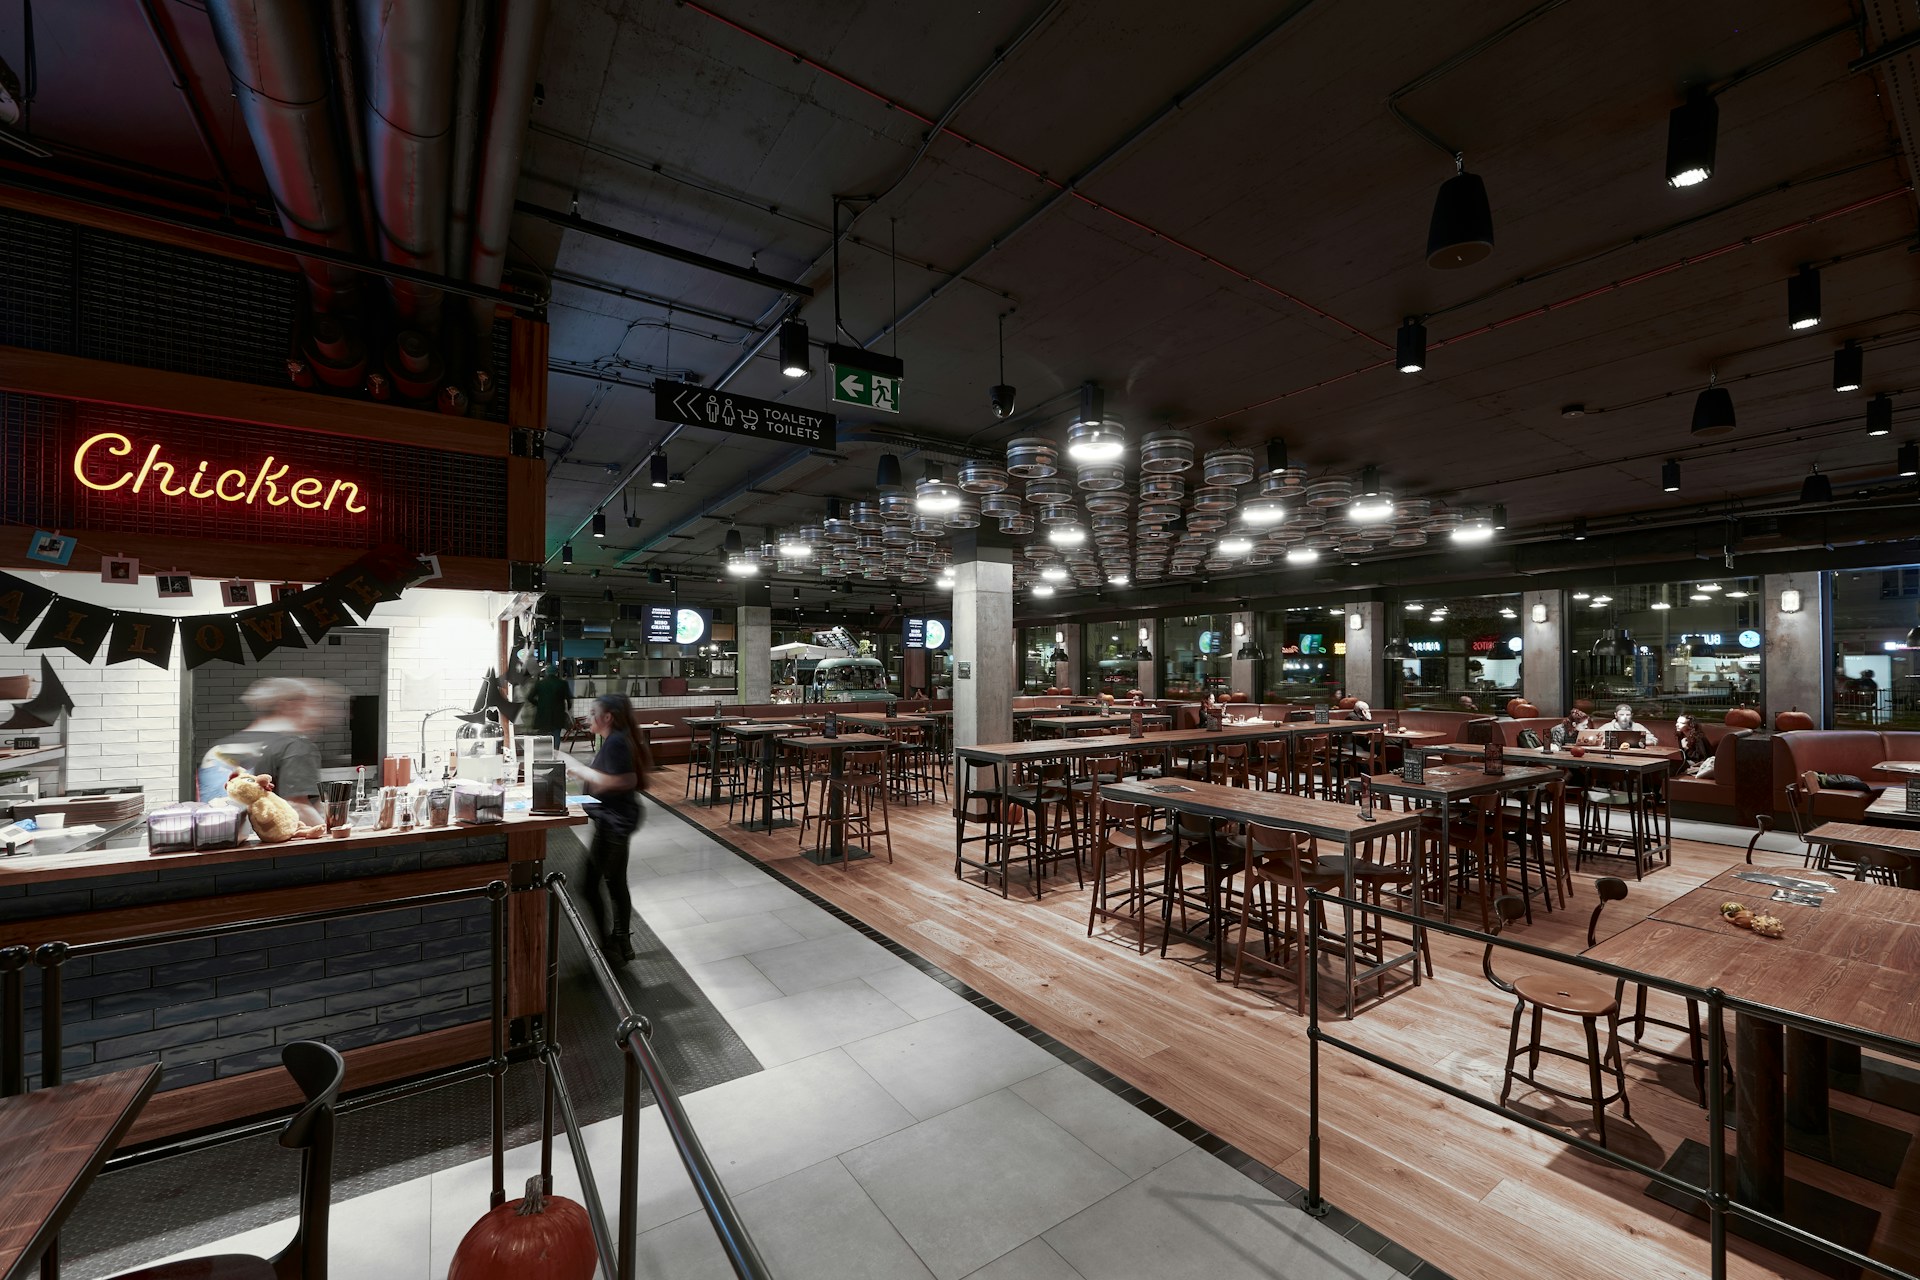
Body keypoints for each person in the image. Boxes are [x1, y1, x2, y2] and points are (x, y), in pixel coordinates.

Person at [562, 694, 652, 962]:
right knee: (614, 882)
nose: (589, 718)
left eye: (593, 713)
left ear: (607, 717)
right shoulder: (615, 740)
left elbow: (625, 780)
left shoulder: (616, 742)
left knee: (590, 884)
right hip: (614, 820)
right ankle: (620, 942)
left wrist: (578, 769)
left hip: (614, 823)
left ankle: (610, 944)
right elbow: (609, 782)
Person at [197, 678, 347, 827]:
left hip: (215, 837)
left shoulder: (218, 748)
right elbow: (297, 807)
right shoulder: (294, 746)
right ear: (289, 705)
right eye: (311, 704)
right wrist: (335, 836)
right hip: (267, 839)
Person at [525, 659, 573, 746]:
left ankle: (545, 751)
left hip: (543, 713)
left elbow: (529, 697)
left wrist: (538, 704)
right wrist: (568, 708)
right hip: (558, 713)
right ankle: (556, 751)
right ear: (556, 673)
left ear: (546, 673)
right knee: (556, 733)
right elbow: (568, 698)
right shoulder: (562, 683)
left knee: (544, 734)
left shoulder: (540, 684)